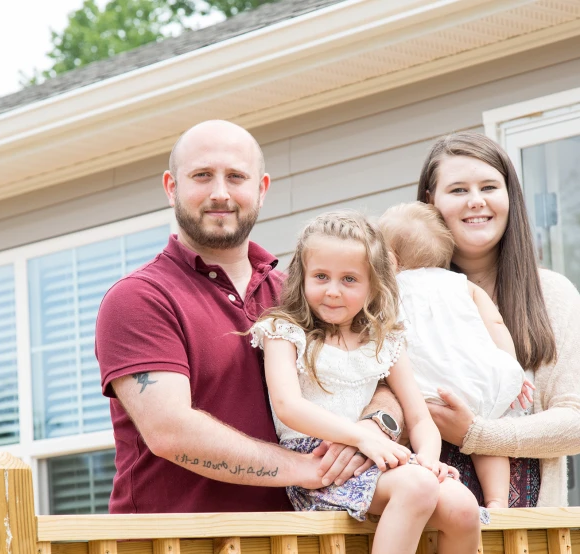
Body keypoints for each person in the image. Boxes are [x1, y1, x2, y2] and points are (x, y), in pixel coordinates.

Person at [95, 119, 402, 514]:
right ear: (172, 188)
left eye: (236, 177)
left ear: (262, 189)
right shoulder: (140, 299)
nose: (220, 193)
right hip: (176, 542)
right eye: (202, 176)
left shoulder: (304, 294)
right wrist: (305, 468)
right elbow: (170, 431)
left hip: (292, 540)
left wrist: (374, 425)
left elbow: (383, 370)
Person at [250, 210, 485, 554]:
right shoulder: (284, 330)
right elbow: (289, 406)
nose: (332, 291)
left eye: (349, 279)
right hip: (319, 463)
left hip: (379, 458)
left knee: (462, 507)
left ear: (373, 284)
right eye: (321, 276)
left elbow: (419, 418)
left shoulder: (383, 340)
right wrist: (361, 436)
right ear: (301, 277)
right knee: (418, 487)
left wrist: (430, 459)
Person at [416, 131, 580, 507]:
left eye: (489, 186)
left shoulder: (554, 296)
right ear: (429, 202)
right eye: (457, 190)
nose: (476, 201)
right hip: (425, 525)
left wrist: (476, 433)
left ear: (509, 197)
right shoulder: (402, 297)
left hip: (530, 534)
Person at [378, 201, 534, 509]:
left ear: (390, 260)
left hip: (426, 385)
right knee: (486, 436)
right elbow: (496, 323)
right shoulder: (463, 284)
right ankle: (497, 501)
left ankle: (424, 473)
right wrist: (510, 370)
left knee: (415, 429)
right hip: (477, 380)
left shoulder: (389, 290)